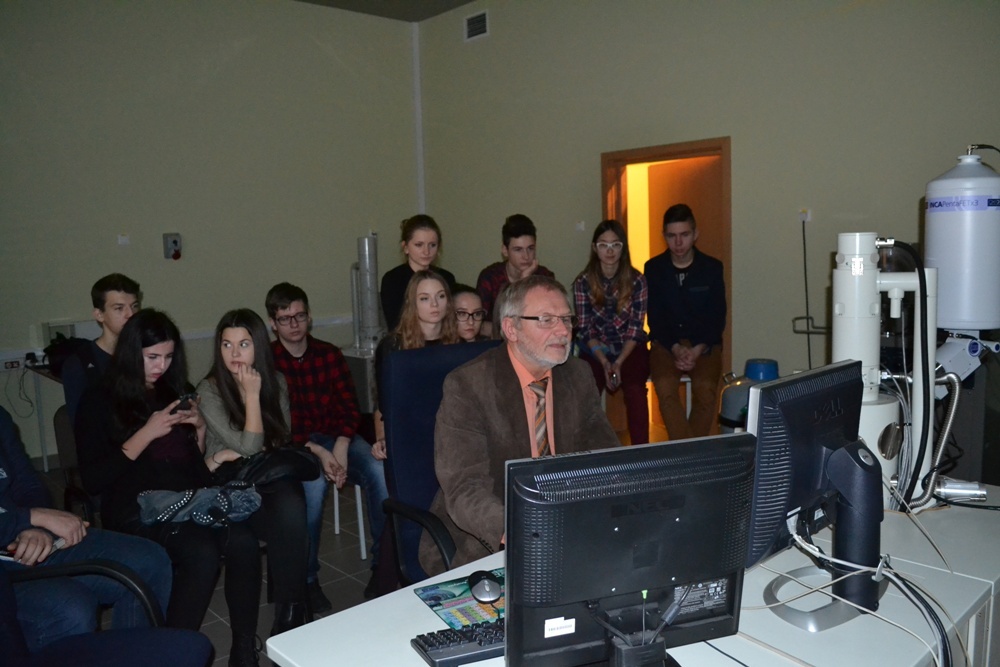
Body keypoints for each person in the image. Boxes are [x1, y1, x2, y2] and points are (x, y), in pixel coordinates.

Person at [74, 309, 299, 667]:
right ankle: (172, 653)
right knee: (202, 552)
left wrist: (200, 432)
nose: (160, 366)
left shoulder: (170, 390)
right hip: (137, 507)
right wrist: (146, 433)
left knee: (242, 542)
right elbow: (93, 479)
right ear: (131, 353)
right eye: (152, 357)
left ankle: (244, 650)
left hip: (186, 499)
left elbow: (191, 470)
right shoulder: (99, 399)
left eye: (167, 357)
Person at [420, 275, 619, 575]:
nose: (563, 331)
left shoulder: (578, 375)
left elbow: (606, 459)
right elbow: (464, 488)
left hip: (570, 529)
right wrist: (528, 531)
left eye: (566, 319)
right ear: (511, 328)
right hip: (491, 538)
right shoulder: (468, 385)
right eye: (546, 320)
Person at [0, 405, 172, 653]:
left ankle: (131, 657)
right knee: (72, 608)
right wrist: (30, 518)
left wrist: (32, 526)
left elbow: (27, 485)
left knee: (150, 561)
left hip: (19, 535)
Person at [265, 283, 389, 607]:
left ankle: (384, 567)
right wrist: (319, 452)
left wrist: (343, 444)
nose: (294, 324)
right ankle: (307, 580)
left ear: (309, 317)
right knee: (314, 487)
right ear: (273, 323)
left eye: (300, 316)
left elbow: (350, 407)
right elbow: (276, 425)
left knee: (379, 471)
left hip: (338, 436)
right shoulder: (268, 362)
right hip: (295, 445)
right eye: (285, 318)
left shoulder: (329, 354)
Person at [195, 309, 311, 629]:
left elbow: (280, 438)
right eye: (227, 345)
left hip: (266, 474)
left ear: (258, 346)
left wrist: (252, 442)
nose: (234, 353)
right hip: (230, 484)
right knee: (290, 510)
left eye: (244, 344)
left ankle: (289, 610)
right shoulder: (209, 390)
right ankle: (294, 607)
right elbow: (250, 446)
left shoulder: (277, 382)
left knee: (291, 499)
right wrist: (252, 396)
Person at [645, 203, 726, 440]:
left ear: (695, 234)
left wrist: (697, 349)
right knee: (665, 387)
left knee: (706, 390)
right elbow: (655, 317)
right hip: (666, 342)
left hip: (705, 343)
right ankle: (689, 451)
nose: (678, 243)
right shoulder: (654, 269)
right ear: (664, 236)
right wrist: (675, 348)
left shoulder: (712, 268)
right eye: (672, 236)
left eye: (684, 235)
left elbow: (717, 316)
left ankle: (687, 451)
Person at [572, 220, 650, 445]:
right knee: (587, 391)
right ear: (594, 248)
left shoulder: (637, 281)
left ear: (623, 247)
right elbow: (585, 329)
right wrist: (606, 362)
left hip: (629, 348)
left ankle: (641, 452)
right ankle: (585, 450)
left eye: (615, 245)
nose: (609, 251)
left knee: (635, 390)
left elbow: (635, 328)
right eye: (603, 245)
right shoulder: (583, 282)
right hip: (596, 349)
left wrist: (618, 362)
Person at [62, 273, 141, 423]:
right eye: (119, 308)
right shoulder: (79, 364)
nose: (130, 315)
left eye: (134, 306)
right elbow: (81, 426)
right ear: (99, 315)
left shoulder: (147, 353)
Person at [475, 214, 554, 336]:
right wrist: (522, 281)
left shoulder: (544, 277)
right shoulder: (490, 277)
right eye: (518, 250)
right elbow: (478, 325)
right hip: (497, 342)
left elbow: (551, 320)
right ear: (505, 250)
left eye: (530, 248)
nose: (526, 256)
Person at [380, 214, 457, 331]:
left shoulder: (447, 277)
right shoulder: (392, 280)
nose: (426, 251)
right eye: (419, 245)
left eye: (432, 245)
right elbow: (396, 325)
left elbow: (451, 319)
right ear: (405, 247)